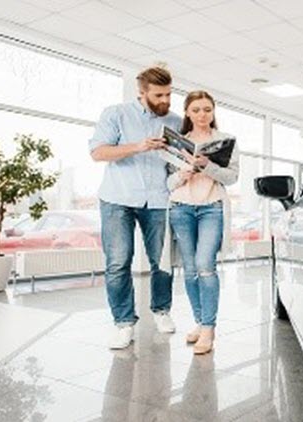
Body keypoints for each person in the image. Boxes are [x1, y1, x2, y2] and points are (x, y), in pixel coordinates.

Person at [89, 66, 182, 349]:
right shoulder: (115, 114)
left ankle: (161, 311)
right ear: (141, 93)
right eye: (159, 95)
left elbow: (178, 159)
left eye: (168, 94)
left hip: (158, 198)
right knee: (118, 262)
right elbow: (98, 152)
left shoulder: (176, 121)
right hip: (118, 198)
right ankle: (123, 323)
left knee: (162, 261)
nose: (165, 100)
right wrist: (139, 146)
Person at [166, 90, 238, 354]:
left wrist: (207, 165)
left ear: (213, 111)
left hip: (211, 208)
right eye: (196, 110)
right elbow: (168, 182)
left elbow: (231, 178)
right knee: (190, 268)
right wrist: (181, 175)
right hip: (181, 207)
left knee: (205, 265)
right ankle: (199, 322)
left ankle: (209, 328)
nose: (202, 115)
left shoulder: (225, 141)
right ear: (187, 112)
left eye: (207, 109)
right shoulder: (177, 141)